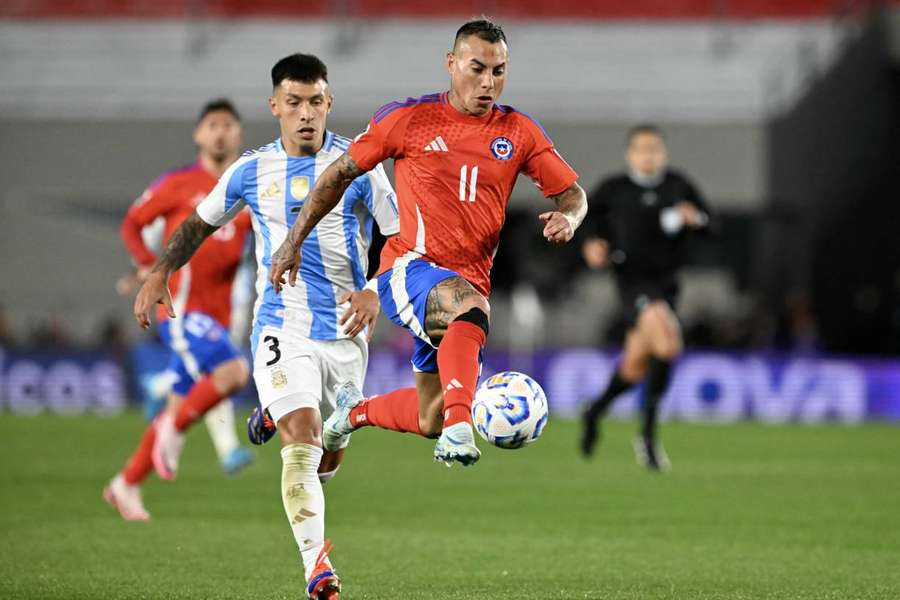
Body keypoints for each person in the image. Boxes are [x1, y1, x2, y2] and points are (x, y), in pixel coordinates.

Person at [132, 54, 398, 600]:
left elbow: (400, 237)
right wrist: (160, 272)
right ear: (274, 106)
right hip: (282, 323)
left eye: (316, 102)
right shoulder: (252, 170)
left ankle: (272, 411)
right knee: (301, 439)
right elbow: (199, 224)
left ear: (330, 104)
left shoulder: (361, 165)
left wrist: (375, 289)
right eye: (294, 103)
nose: (306, 114)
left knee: (329, 453)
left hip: (347, 332)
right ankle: (315, 568)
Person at [269, 19, 587, 468]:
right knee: (469, 315)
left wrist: (569, 218)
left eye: (499, 71)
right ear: (451, 63)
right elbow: (340, 174)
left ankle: (350, 414)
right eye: (477, 68)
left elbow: (573, 194)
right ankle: (462, 426)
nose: (488, 82)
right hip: (408, 268)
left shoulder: (518, 132)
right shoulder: (409, 120)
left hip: (466, 281)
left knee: (430, 415)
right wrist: (292, 242)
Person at [104, 99, 254, 522]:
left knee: (180, 404)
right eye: (212, 125)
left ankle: (126, 483)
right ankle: (173, 430)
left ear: (238, 134)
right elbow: (132, 222)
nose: (220, 133)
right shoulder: (178, 183)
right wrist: (143, 265)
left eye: (228, 125)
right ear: (199, 134)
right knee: (234, 373)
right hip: (180, 309)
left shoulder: (246, 185)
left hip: (219, 315)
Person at [579, 124, 713, 470]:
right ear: (630, 154)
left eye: (654, 148)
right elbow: (586, 221)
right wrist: (592, 245)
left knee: (635, 366)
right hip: (632, 283)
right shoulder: (614, 190)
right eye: (641, 148)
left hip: (667, 285)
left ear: (663, 153)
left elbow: (712, 226)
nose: (648, 155)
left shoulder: (677, 186)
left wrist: (694, 218)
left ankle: (593, 413)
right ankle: (648, 438)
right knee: (668, 345)